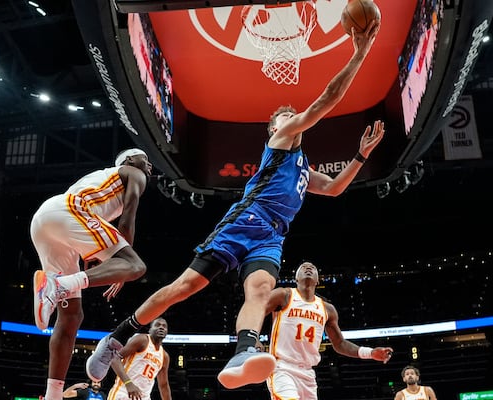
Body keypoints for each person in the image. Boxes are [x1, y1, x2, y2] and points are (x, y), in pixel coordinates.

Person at [85, 19, 382, 390]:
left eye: (291, 116)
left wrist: (360, 155)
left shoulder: (303, 166)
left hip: (272, 236)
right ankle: (115, 339)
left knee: (258, 291)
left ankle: (244, 351)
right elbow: (326, 101)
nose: (291, 118)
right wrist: (359, 53)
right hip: (246, 220)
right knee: (183, 288)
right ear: (274, 128)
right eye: (285, 117)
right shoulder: (283, 141)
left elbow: (336, 188)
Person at [31, 148, 153, 400]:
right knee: (137, 266)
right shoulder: (134, 173)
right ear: (130, 160)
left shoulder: (102, 179)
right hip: (69, 210)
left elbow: (92, 239)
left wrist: (102, 262)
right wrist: (122, 265)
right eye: (146, 159)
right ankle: (58, 285)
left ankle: (53, 395)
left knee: (72, 314)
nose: (149, 166)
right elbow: (127, 218)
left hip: (46, 220)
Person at [265, 261, 393, 400]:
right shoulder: (284, 295)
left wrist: (371, 353)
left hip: (308, 374)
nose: (308, 268)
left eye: (312, 268)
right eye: (303, 268)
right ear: (296, 279)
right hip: (282, 368)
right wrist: (252, 340)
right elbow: (256, 311)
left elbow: (340, 344)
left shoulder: (327, 309)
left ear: (318, 280)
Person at [107, 317, 171, 400]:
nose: (161, 327)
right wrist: (128, 383)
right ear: (150, 330)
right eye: (157, 325)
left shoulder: (164, 356)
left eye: (164, 326)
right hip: (124, 392)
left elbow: (163, 385)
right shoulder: (142, 340)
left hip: (144, 397)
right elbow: (115, 359)